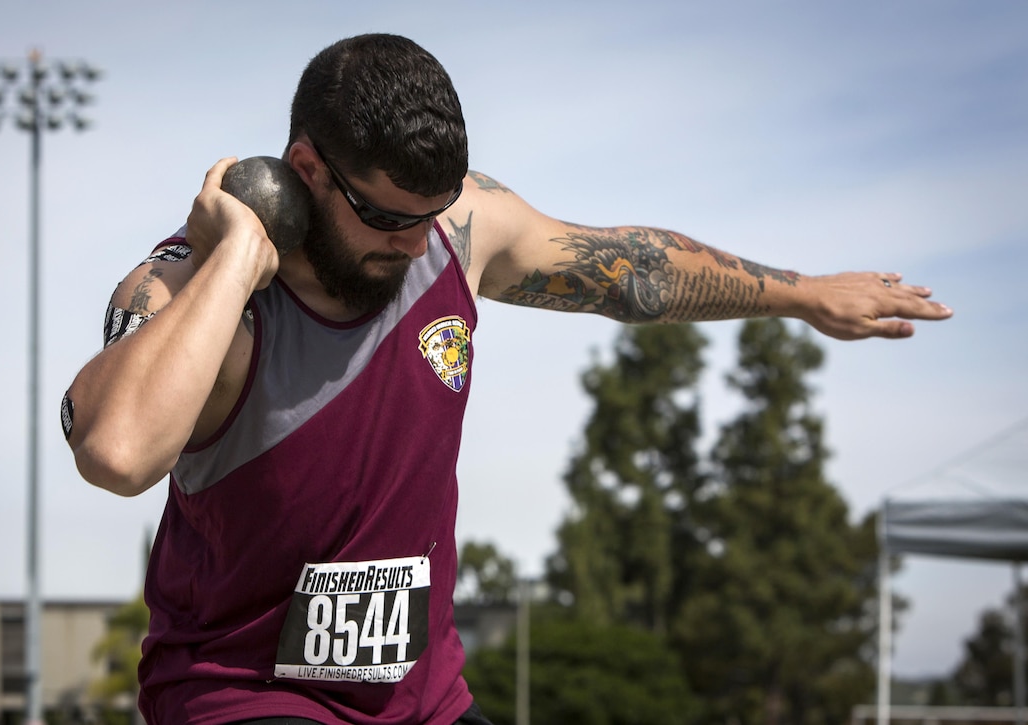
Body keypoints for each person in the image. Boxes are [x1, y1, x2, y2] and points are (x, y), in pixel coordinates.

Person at [61, 33, 952, 725]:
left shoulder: (457, 230)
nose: (413, 245)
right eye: (383, 218)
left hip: (420, 703)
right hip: (246, 697)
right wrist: (239, 253)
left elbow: (629, 272)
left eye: (428, 216)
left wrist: (801, 296)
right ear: (306, 172)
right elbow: (117, 451)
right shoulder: (197, 291)